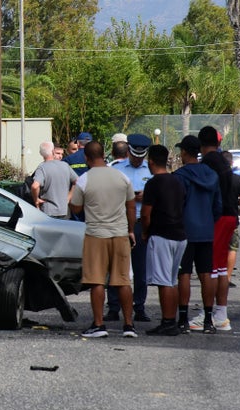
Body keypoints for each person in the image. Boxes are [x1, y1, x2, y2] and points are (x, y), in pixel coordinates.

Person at [69, 140, 137, 338]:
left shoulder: (84, 179)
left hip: (96, 234)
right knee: (123, 281)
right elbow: (131, 206)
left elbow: (76, 208)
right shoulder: (121, 176)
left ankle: (99, 325)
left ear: (87, 158)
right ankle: (129, 325)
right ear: (103, 155)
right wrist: (130, 229)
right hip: (120, 233)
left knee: (97, 281)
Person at [187, 126, 237, 332]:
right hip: (231, 215)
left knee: (212, 269)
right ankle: (221, 313)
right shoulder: (222, 160)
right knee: (222, 268)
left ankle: (212, 314)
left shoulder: (208, 162)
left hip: (220, 217)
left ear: (200, 144)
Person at [173, 135, 222, 333]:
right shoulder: (212, 175)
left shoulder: (180, 176)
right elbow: (217, 206)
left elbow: (177, 204)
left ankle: (183, 319)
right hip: (206, 230)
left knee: (184, 274)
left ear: (184, 152)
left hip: (185, 230)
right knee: (206, 274)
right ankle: (208, 320)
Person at [105, 134, 153, 323]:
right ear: (129, 152)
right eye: (134, 156)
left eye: (141, 156)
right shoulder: (116, 169)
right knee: (116, 267)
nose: (137, 159)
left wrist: (146, 197)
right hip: (120, 222)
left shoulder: (150, 169)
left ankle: (139, 307)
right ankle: (113, 307)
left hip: (141, 222)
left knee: (141, 269)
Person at [141, 145, 187, 336]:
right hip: (180, 234)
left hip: (161, 234)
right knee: (172, 279)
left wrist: (145, 232)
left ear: (150, 161)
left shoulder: (153, 183)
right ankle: (172, 320)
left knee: (163, 281)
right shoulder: (177, 181)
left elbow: (146, 214)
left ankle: (167, 321)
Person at [30, 141, 77, 219]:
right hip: (64, 210)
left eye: (61, 154)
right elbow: (78, 181)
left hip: (48, 211)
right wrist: (69, 196)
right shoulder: (65, 165)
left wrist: (36, 200)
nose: (60, 156)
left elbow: (35, 186)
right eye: (58, 153)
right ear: (53, 152)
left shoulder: (42, 167)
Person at [222, 150, 240, 287]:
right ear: (232, 163)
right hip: (232, 219)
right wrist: (236, 202)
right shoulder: (238, 179)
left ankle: (215, 277)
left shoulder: (214, 179)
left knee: (216, 248)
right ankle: (226, 278)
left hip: (216, 219)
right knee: (232, 248)